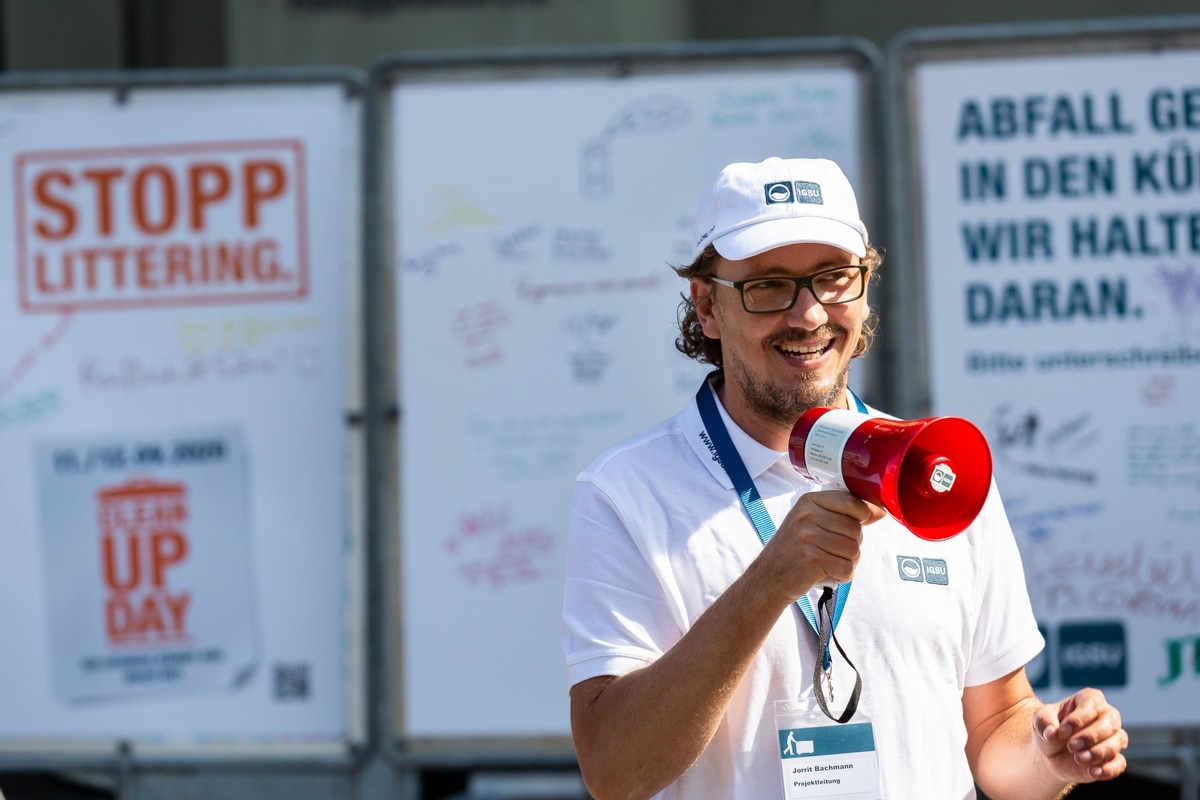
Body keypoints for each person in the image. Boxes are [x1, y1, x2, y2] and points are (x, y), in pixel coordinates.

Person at [560, 156, 1128, 799]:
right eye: (768, 286)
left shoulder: (936, 469)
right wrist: (769, 584)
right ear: (708, 306)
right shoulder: (626, 492)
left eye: (834, 278)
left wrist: (1050, 752)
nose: (808, 315)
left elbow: (996, 727)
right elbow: (614, 772)